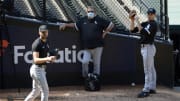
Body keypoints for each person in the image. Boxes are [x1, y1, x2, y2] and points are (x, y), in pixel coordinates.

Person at [59, 6, 114, 78]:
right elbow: (75, 25)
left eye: (92, 11)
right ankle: (86, 79)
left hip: (98, 46)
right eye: (89, 12)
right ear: (86, 12)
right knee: (84, 62)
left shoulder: (99, 20)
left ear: (95, 12)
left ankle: (96, 80)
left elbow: (111, 25)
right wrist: (66, 25)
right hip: (87, 47)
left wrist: (105, 33)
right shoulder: (83, 20)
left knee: (96, 64)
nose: (90, 13)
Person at [129, 8, 158, 98]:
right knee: (151, 68)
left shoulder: (154, 24)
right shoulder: (146, 23)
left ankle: (146, 89)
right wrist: (132, 20)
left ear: (154, 15)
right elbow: (132, 30)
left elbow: (144, 32)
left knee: (147, 69)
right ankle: (152, 87)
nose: (150, 15)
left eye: (151, 13)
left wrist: (137, 20)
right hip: (146, 47)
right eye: (149, 13)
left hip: (148, 47)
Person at [24, 25, 56, 101]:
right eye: (43, 32)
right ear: (39, 33)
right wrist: (48, 58)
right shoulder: (37, 43)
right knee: (45, 91)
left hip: (41, 70)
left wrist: (51, 59)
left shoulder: (46, 42)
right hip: (37, 70)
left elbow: (45, 56)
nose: (45, 33)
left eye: (46, 32)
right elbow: (36, 60)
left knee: (36, 91)